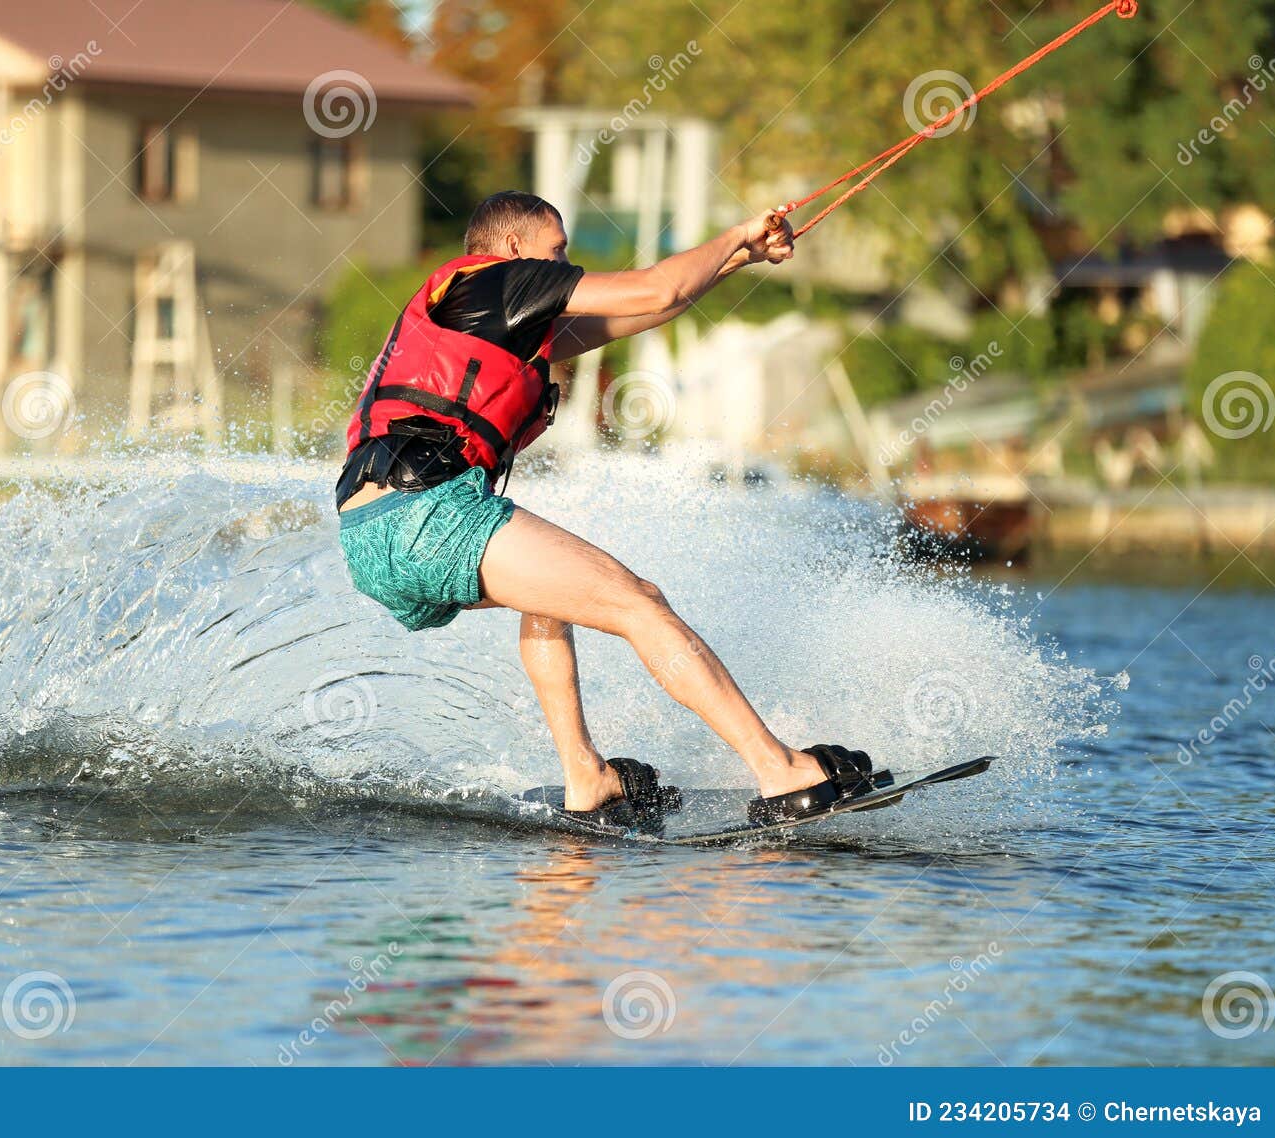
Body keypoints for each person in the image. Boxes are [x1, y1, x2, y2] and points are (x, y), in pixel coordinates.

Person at [335, 191, 880, 828]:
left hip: (370, 536)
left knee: (552, 599)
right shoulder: (501, 281)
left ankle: (585, 776)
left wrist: (739, 257)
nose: (565, 265)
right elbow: (652, 288)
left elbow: (653, 307)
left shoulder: (486, 313)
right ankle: (779, 771)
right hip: (424, 511)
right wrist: (736, 229)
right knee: (639, 602)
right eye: (558, 250)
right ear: (515, 250)